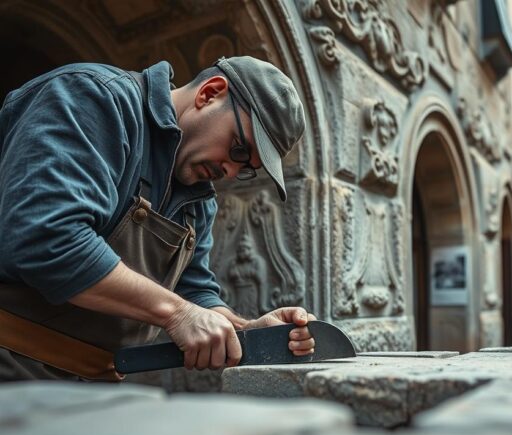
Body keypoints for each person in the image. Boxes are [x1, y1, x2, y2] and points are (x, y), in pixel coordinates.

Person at [0, 56, 314, 381]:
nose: (230, 172)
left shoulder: (199, 198)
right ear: (210, 93)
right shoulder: (94, 98)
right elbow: (47, 241)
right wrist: (176, 314)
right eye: (238, 150)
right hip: (11, 364)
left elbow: (193, 290)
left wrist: (246, 331)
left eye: (248, 168)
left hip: (94, 383)